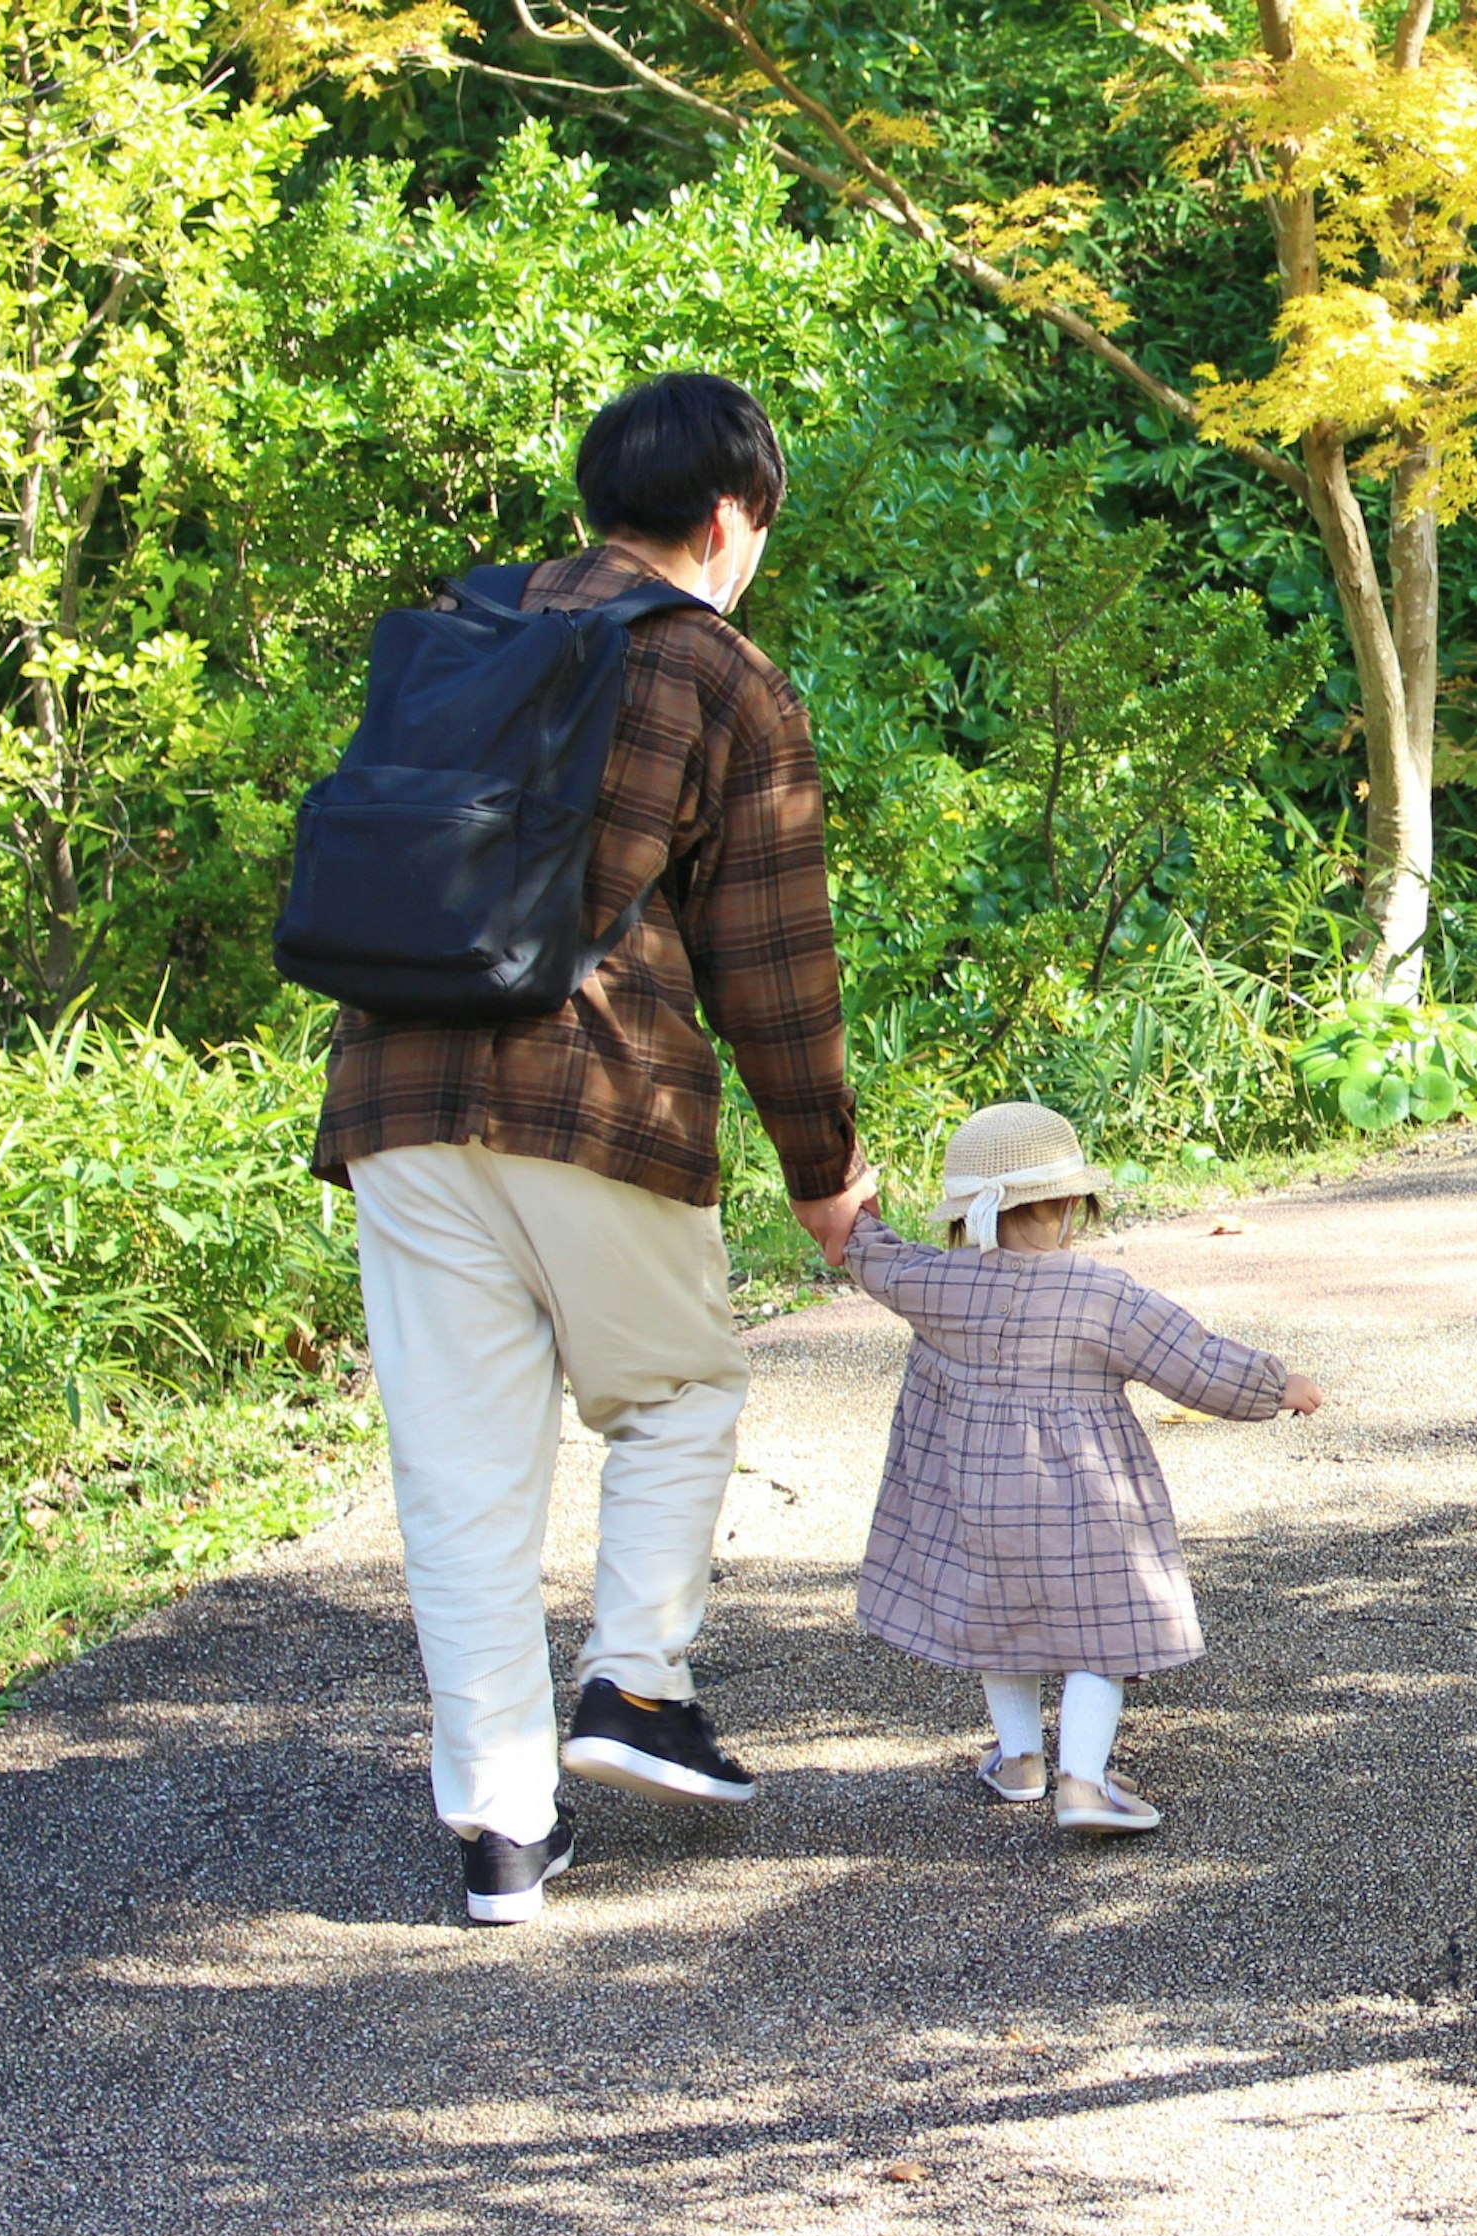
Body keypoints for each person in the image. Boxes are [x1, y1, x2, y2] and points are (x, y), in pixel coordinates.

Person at [314, 373, 880, 1925]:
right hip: (597, 1091)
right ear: (726, 520)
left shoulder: (466, 630)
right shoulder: (719, 675)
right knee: (679, 1387)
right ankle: (633, 1686)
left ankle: (502, 1833)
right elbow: (774, 954)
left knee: (461, 1474)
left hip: (396, 1095)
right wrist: (821, 1172)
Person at [832, 1102, 1322, 1833]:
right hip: (1086, 1506)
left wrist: (854, 1200)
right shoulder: (1104, 1294)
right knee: (1100, 1634)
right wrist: (1274, 1386)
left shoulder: (938, 1283)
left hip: (976, 1498)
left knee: (1001, 1620)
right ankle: (1084, 1781)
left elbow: (873, 1256)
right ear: (1069, 1206)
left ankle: (1021, 1759)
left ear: (965, 1216)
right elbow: (1191, 1360)